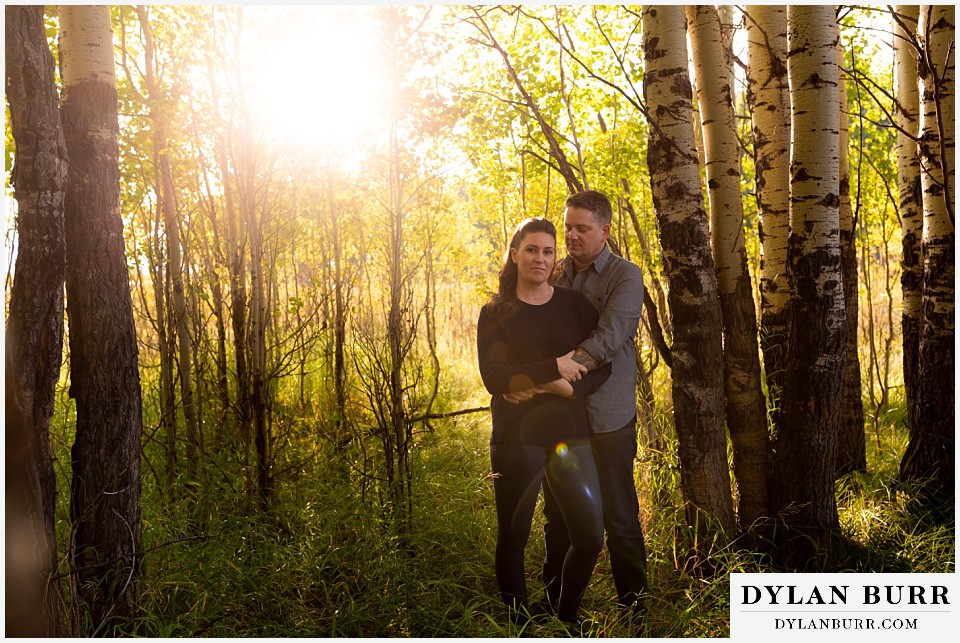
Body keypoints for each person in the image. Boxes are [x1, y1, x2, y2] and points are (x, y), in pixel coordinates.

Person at [476, 217, 611, 628]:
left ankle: (565, 619)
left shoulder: (574, 306)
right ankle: (520, 628)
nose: (540, 258)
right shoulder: (496, 313)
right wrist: (553, 370)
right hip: (517, 435)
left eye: (548, 251)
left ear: (555, 258)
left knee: (589, 536)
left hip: (568, 433)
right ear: (514, 254)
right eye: (532, 249)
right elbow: (494, 379)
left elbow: (600, 366)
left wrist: (560, 388)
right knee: (514, 538)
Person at [545, 189, 649, 619]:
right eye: (568, 226)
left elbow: (610, 336)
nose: (571, 235)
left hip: (608, 414)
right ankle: (555, 608)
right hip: (561, 417)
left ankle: (636, 611)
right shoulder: (553, 274)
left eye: (581, 228)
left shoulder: (625, 276)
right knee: (559, 519)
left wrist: (554, 371)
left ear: (604, 231)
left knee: (620, 517)